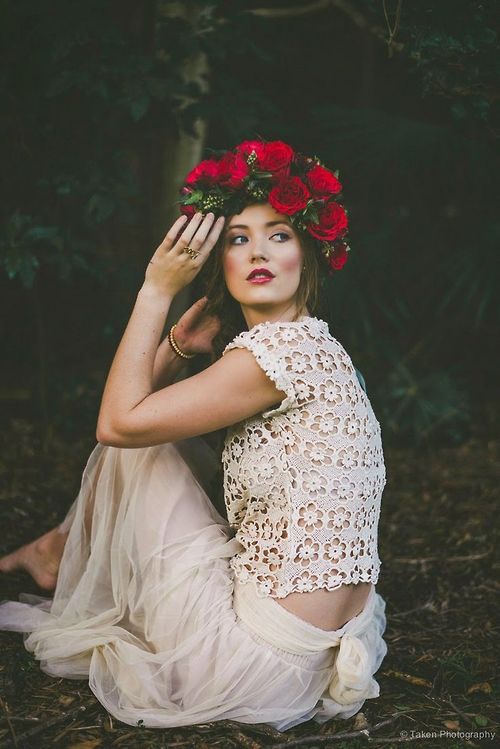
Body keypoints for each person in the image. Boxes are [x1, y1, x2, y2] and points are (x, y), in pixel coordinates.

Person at [0, 139, 388, 731]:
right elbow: (132, 418)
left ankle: (57, 546)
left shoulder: (278, 352)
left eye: (279, 234)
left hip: (243, 667)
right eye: (238, 238)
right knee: (165, 440)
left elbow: (118, 424)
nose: (258, 249)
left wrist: (156, 290)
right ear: (222, 264)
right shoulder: (315, 346)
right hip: (300, 673)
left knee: (146, 442)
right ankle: (59, 543)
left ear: (307, 257)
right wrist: (181, 345)